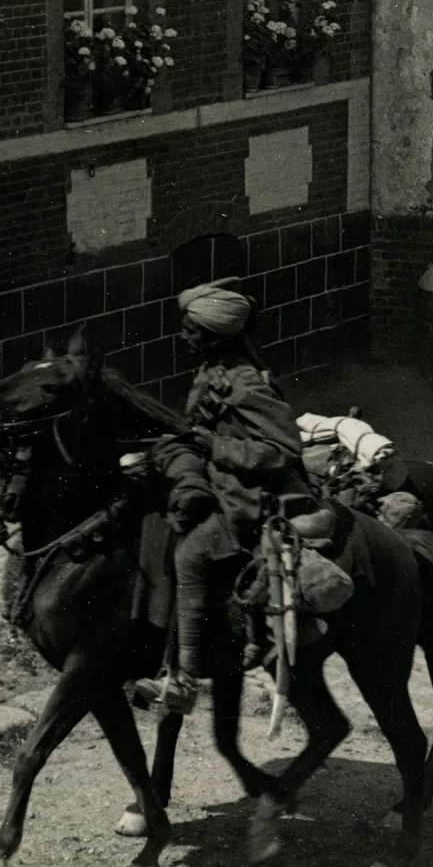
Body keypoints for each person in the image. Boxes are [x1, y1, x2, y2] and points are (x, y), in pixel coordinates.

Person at [135, 278, 338, 714]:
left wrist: (216, 448)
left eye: (191, 330)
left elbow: (283, 451)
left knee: (190, 555)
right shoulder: (213, 372)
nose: (183, 336)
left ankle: (184, 681)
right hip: (219, 483)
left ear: (215, 336)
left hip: (248, 499)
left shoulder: (246, 385)